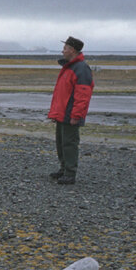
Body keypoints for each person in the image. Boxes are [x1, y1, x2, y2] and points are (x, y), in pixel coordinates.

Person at [47, 36, 95, 185]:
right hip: (63, 112)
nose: (63, 51)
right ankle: (64, 168)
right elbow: (62, 93)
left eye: (65, 48)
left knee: (69, 143)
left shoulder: (80, 68)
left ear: (72, 50)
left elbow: (83, 95)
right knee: (61, 143)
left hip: (70, 113)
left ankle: (70, 173)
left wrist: (77, 115)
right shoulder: (69, 67)